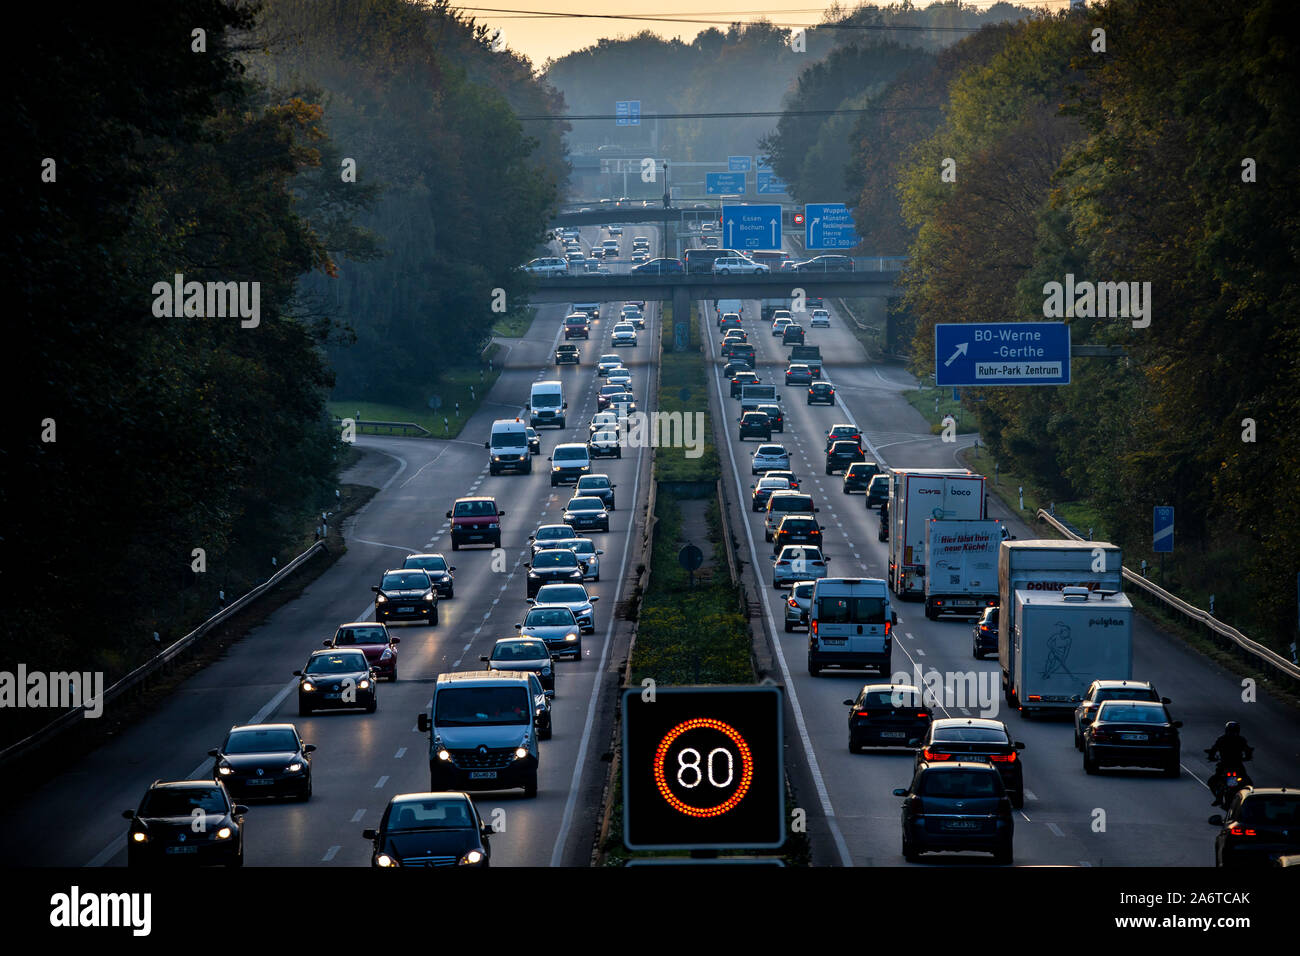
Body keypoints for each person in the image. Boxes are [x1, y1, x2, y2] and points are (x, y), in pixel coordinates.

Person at [1206, 721, 1254, 806]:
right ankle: (1220, 798)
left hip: (1227, 765)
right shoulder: (1240, 739)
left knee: (1212, 781)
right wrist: (1248, 757)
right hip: (1234, 765)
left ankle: (1219, 798)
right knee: (1249, 783)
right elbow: (1247, 750)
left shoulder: (1222, 739)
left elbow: (1213, 749)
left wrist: (1211, 756)